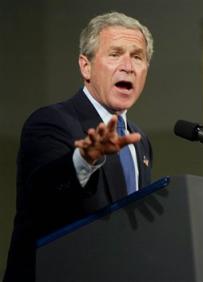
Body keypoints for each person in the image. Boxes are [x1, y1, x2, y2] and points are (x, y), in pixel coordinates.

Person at [4, 12, 153, 281]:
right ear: (86, 66)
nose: (128, 66)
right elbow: (41, 193)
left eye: (138, 56)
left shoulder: (139, 139)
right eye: (115, 54)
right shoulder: (51, 121)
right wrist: (85, 158)